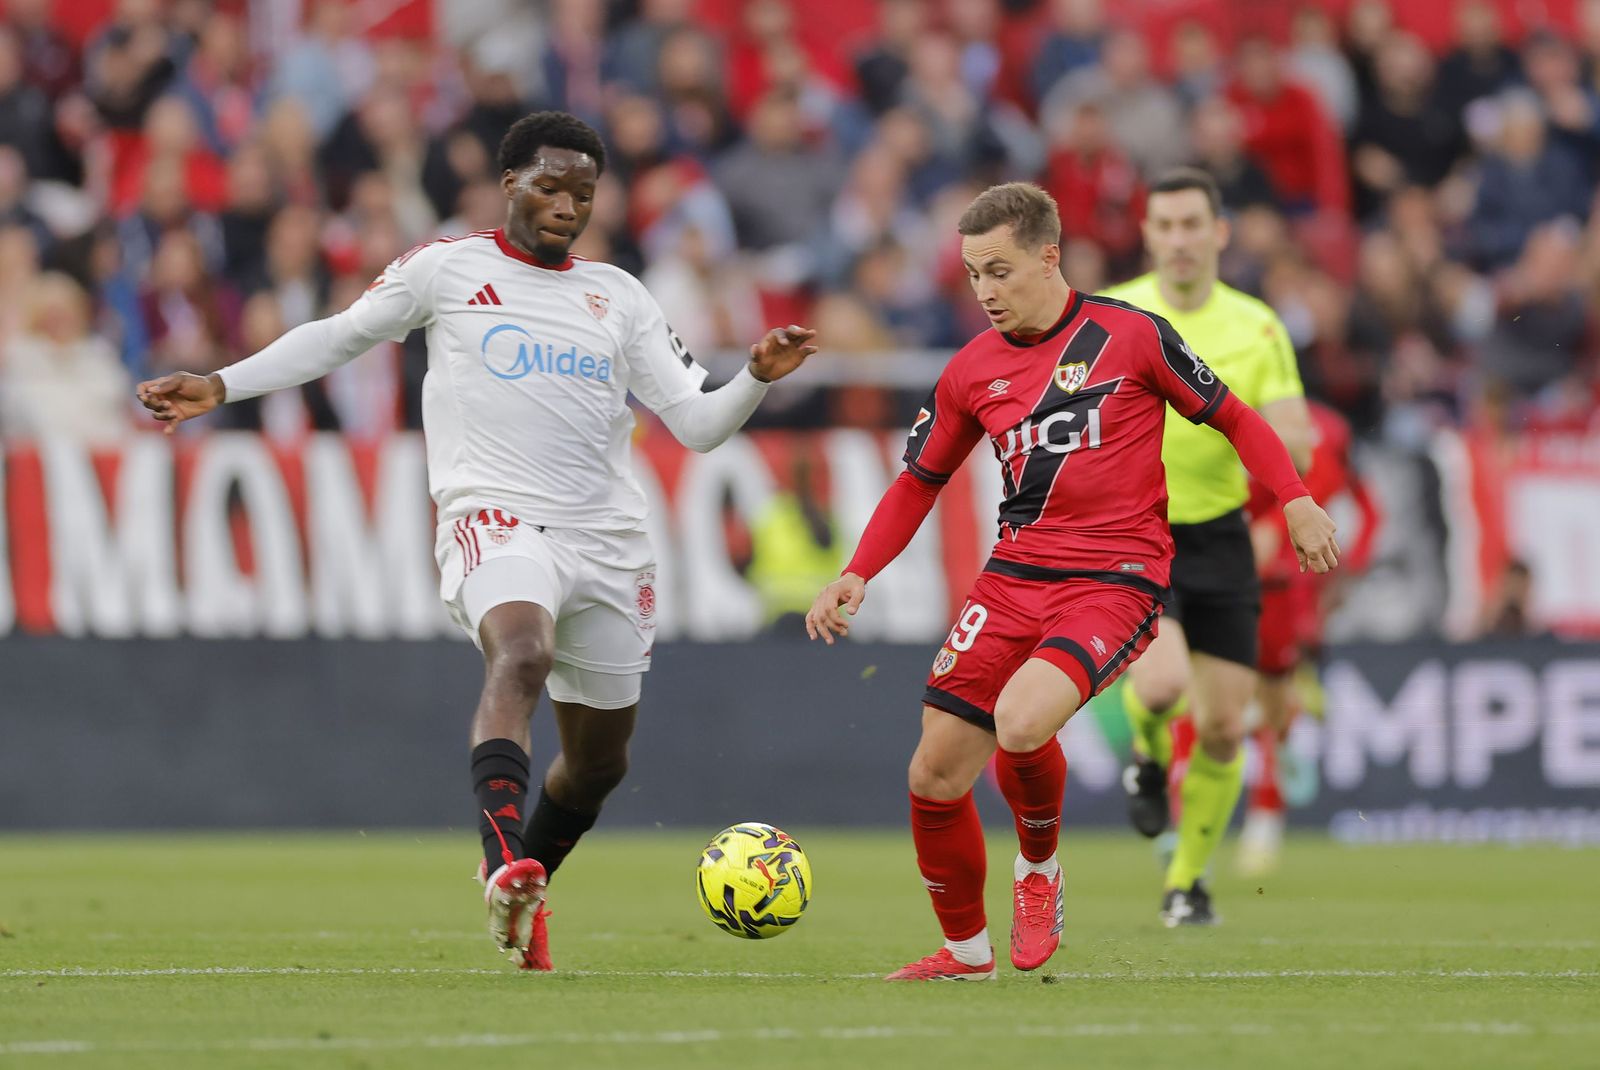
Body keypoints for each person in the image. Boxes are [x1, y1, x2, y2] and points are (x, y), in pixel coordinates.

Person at [135, 111, 817, 971]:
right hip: (493, 515)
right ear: (509, 184)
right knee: (522, 652)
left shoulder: (620, 295)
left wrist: (753, 376)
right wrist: (220, 384)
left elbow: (698, 425)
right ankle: (502, 865)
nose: (567, 205)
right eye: (550, 187)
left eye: (583, 194)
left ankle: (528, 891)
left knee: (600, 765)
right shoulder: (448, 268)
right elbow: (339, 335)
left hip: (608, 540)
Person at [806, 182, 1337, 980]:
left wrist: (1294, 499)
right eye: (973, 275)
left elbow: (1233, 416)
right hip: (1013, 577)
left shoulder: (1131, 335)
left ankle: (1039, 870)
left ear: (1048, 256)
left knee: (1021, 723)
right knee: (934, 771)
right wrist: (857, 571)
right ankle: (967, 953)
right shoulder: (970, 369)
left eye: (999, 271)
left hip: (1115, 578)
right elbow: (919, 481)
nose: (985, 291)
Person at [1101, 168, 1315, 926]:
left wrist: (1283, 446)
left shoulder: (1258, 327)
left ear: (1219, 233)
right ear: (1147, 235)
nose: (1180, 240)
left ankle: (1186, 883)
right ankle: (1149, 750)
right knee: (1162, 686)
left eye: (1193, 224)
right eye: (1165, 226)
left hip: (1221, 535)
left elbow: (1296, 436)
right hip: (1138, 533)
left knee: (1226, 727)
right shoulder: (1116, 314)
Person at [1234, 400, 1381, 875]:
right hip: (1222, 572)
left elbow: (1360, 503)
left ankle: (1265, 816)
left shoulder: (1329, 429)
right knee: (1216, 698)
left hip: (1286, 583)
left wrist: (1345, 570)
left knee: (1270, 704)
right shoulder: (1215, 406)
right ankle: (1187, 832)